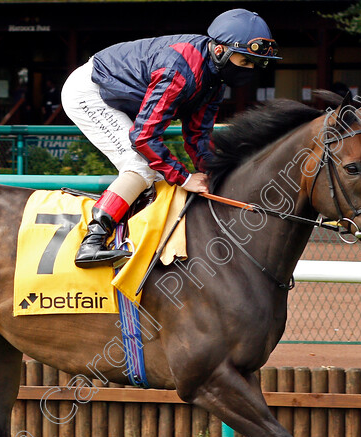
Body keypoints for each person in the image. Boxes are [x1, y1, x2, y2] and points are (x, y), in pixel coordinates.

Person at [61, 8, 281, 267]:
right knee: (140, 166)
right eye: (244, 61)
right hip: (90, 91)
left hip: (119, 96)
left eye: (254, 64)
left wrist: (214, 175)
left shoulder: (214, 79)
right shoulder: (180, 70)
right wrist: (185, 178)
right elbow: (143, 137)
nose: (249, 69)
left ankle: (135, 237)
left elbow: (198, 136)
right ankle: (92, 242)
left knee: (153, 175)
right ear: (220, 51)